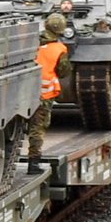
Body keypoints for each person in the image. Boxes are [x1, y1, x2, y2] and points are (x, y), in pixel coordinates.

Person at [28, 13, 72, 174]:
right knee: (37, 128)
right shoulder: (59, 49)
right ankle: (33, 163)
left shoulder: (31, 43)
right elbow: (63, 71)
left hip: (22, 91)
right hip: (44, 95)